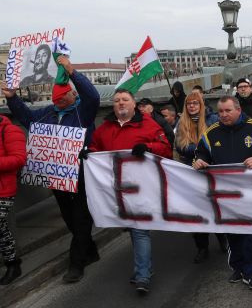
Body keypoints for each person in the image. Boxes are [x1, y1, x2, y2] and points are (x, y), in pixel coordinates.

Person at [2, 55, 100, 284]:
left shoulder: (82, 112)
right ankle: (91, 250)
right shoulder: (46, 113)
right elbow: (26, 117)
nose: (71, 96)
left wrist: (72, 71)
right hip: (57, 177)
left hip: (81, 175)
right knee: (70, 219)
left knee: (81, 218)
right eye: (59, 98)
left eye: (66, 96)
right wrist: (13, 98)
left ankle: (76, 264)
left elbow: (93, 97)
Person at [88, 88, 172, 294]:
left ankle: (143, 274)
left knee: (139, 229)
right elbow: (95, 147)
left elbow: (166, 149)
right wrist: (88, 153)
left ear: (134, 104)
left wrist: (149, 147)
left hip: (143, 188)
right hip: (118, 190)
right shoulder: (105, 128)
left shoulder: (149, 124)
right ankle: (142, 269)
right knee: (133, 230)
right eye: (117, 100)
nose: (121, 103)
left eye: (125, 99)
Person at [193, 95, 252, 291]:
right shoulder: (211, 132)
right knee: (232, 231)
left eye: (228, 111)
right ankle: (238, 267)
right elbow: (200, 153)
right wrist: (198, 161)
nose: (223, 115)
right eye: (220, 111)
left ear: (238, 110)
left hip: (251, 191)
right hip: (225, 193)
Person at [175, 92, 228, 263]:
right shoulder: (181, 122)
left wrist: (203, 153)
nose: (192, 106)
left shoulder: (212, 120)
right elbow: (180, 146)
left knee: (215, 208)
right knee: (195, 212)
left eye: (195, 103)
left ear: (201, 105)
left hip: (211, 171)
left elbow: (219, 144)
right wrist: (200, 151)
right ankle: (202, 247)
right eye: (189, 104)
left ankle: (223, 239)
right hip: (190, 172)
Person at [0, 115, 27, 285]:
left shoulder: (9, 130)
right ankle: (13, 263)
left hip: (3, 190)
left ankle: (13, 263)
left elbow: (19, 158)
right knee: (1, 229)